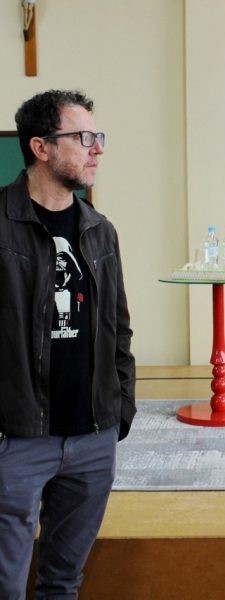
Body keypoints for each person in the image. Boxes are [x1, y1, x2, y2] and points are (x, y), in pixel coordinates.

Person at [0, 90, 136, 598]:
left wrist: (120, 409)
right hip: (17, 436)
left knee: (62, 583)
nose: (97, 148)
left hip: (92, 437)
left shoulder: (100, 230)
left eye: (97, 136)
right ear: (41, 147)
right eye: (82, 137)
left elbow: (118, 327)